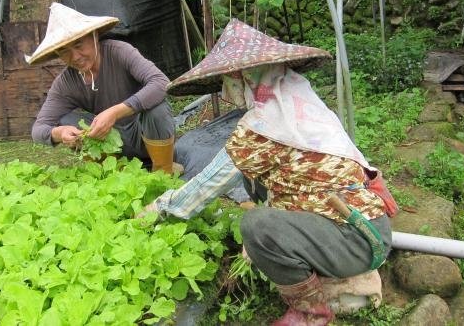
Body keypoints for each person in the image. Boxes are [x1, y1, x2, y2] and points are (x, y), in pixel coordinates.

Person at [144, 19, 398, 325]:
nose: (226, 91)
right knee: (256, 185)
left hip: (357, 241)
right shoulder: (299, 104)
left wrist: (161, 207)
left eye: (228, 80)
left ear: (244, 77)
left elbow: (208, 183)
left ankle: (310, 313)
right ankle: (306, 263)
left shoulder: (263, 126)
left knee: (256, 225)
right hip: (365, 228)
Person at [27, 3, 180, 173]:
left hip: (144, 135)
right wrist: (59, 133)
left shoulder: (119, 52)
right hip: (110, 145)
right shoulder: (65, 83)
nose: (75, 57)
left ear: (94, 36)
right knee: (66, 120)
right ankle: (112, 172)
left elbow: (161, 83)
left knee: (157, 108)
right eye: (64, 51)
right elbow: (38, 130)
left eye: (79, 45)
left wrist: (115, 112)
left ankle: (164, 171)